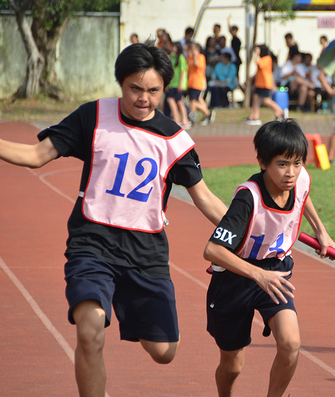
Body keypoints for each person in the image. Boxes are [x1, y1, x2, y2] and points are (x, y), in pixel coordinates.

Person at [0, 41, 228, 397]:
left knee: (164, 352)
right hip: (92, 243)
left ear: (165, 89)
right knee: (89, 330)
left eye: (153, 91)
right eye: (135, 89)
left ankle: (125, 301)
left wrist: (249, 229)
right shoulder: (93, 117)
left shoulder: (174, 140)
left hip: (146, 253)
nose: (143, 98)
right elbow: (35, 155)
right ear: (120, 83)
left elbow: (205, 199)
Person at [204, 119, 335, 397]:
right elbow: (213, 250)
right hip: (234, 278)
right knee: (232, 365)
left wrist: (320, 231)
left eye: (297, 163)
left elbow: (303, 194)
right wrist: (257, 274)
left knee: (290, 343)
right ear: (263, 162)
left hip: (275, 272)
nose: (291, 173)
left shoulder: (299, 179)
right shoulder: (247, 199)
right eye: (282, 164)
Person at [244, 45, 285, 126]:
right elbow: (258, 72)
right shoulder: (263, 59)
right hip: (259, 83)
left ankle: (281, 112)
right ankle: (254, 116)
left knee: (266, 100)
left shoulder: (267, 59)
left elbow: (258, 63)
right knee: (255, 98)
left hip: (265, 83)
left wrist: (257, 54)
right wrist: (250, 79)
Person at [186, 42, 214, 126]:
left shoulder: (201, 57)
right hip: (191, 82)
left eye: (194, 48)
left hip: (197, 82)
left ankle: (192, 116)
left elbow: (197, 64)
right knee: (198, 99)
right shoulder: (189, 57)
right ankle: (208, 113)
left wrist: (195, 56)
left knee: (193, 101)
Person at [166, 41, 191, 129]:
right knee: (177, 101)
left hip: (178, 84)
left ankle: (181, 120)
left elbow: (183, 71)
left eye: (174, 47)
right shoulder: (172, 57)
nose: (172, 49)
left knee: (176, 101)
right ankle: (180, 120)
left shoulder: (181, 57)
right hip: (173, 83)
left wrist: (181, 84)